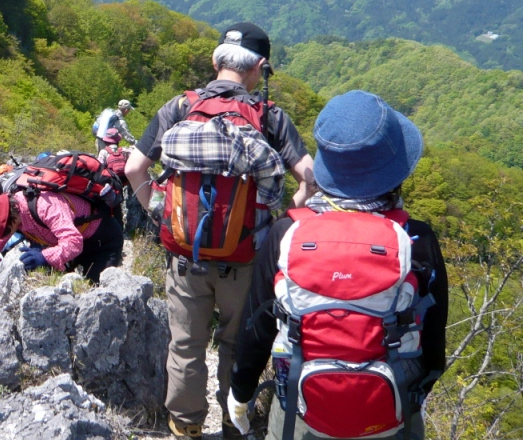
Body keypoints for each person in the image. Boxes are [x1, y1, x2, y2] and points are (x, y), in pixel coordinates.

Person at [125, 22, 315, 439]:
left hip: (185, 257)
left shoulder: (179, 108)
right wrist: (284, 220)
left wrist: (160, 212)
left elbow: (133, 168)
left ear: (215, 62)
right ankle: (234, 427)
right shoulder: (269, 118)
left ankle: (186, 427)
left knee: (186, 346)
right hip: (245, 259)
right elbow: (310, 176)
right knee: (235, 346)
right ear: (260, 67)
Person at [228, 91, 448, 440]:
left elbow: (257, 328)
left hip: (300, 412)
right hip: (392, 414)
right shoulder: (416, 240)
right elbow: (434, 345)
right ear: (394, 171)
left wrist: (240, 394)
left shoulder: (287, 232)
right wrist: (413, 395)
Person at [0, 190, 123, 284]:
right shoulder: (14, 213)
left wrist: (44, 257)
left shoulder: (45, 206)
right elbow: (0, 239)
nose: (4, 236)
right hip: (78, 243)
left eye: (3, 231)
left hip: (103, 241)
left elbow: (73, 243)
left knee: (95, 287)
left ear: (6, 219)